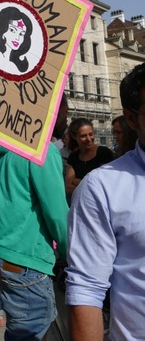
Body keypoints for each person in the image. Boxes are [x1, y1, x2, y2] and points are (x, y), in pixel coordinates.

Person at [0, 94, 70, 340]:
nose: (67, 115)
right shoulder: (42, 149)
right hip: (27, 263)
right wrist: (71, 253)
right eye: (65, 107)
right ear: (53, 108)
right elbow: (58, 215)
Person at [67, 62, 145, 340]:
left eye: (92, 134)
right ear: (132, 119)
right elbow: (86, 288)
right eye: (84, 135)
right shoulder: (101, 187)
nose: (89, 139)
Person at [65, 118, 113, 201]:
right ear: (74, 136)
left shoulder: (104, 153)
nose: (88, 139)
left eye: (90, 134)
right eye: (83, 136)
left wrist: (78, 182)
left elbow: (104, 185)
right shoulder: (73, 157)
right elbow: (68, 187)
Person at [0, 5, 33, 74]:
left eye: (21, 34)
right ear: (2, 29)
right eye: (12, 30)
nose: (17, 38)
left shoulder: (12, 65)